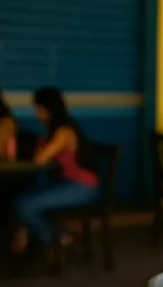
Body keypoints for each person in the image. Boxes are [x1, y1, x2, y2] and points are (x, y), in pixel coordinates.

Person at [11, 88, 100, 252]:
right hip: (68, 183)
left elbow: (40, 159)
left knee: (23, 205)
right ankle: (44, 235)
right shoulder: (56, 130)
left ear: (46, 109)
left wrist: (39, 148)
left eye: (37, 109)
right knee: (28, 189)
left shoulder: (63, 132)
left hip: (82, 187)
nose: (37, 114)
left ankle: (56, 237)